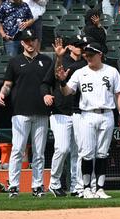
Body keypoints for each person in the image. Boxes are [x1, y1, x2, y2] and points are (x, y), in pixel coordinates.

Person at [59, 42, 120, 199]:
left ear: (100, 54)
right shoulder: (80, 72)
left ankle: (100, 188)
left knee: (102, 153)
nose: (88, 57)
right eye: (86, 55)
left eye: (91, 54)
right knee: (87, 153)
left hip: (107, 113)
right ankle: (87, 188)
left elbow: (119, 93)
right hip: (87, 115)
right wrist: (62, 81)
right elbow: (68, 92)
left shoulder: (111, 71)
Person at [0, 29, 53, 198]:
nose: (30, 43)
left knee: (39, 152)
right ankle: (13, 186)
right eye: (27, 41)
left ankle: (37, 186)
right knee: (17, 150)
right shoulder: (15, 61)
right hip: (20, 112)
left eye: (33, 40)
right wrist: (2, 93)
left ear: (37, 42)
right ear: (22, 43)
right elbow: (7, 83)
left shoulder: (46, 60)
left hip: (41, 112)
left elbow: (50, 84)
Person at [41, 36, 89, 197]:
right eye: (77, 45)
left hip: (79, 112)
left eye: (82, 45)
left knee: (78, 152)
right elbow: (47, 81)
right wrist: (46, 95)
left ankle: (76, 186)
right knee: (62, 148)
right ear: (70, 47)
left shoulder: (85, 64)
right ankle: (54, 183)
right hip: (60, 111)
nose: (81, 48)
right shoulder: (62, 61)